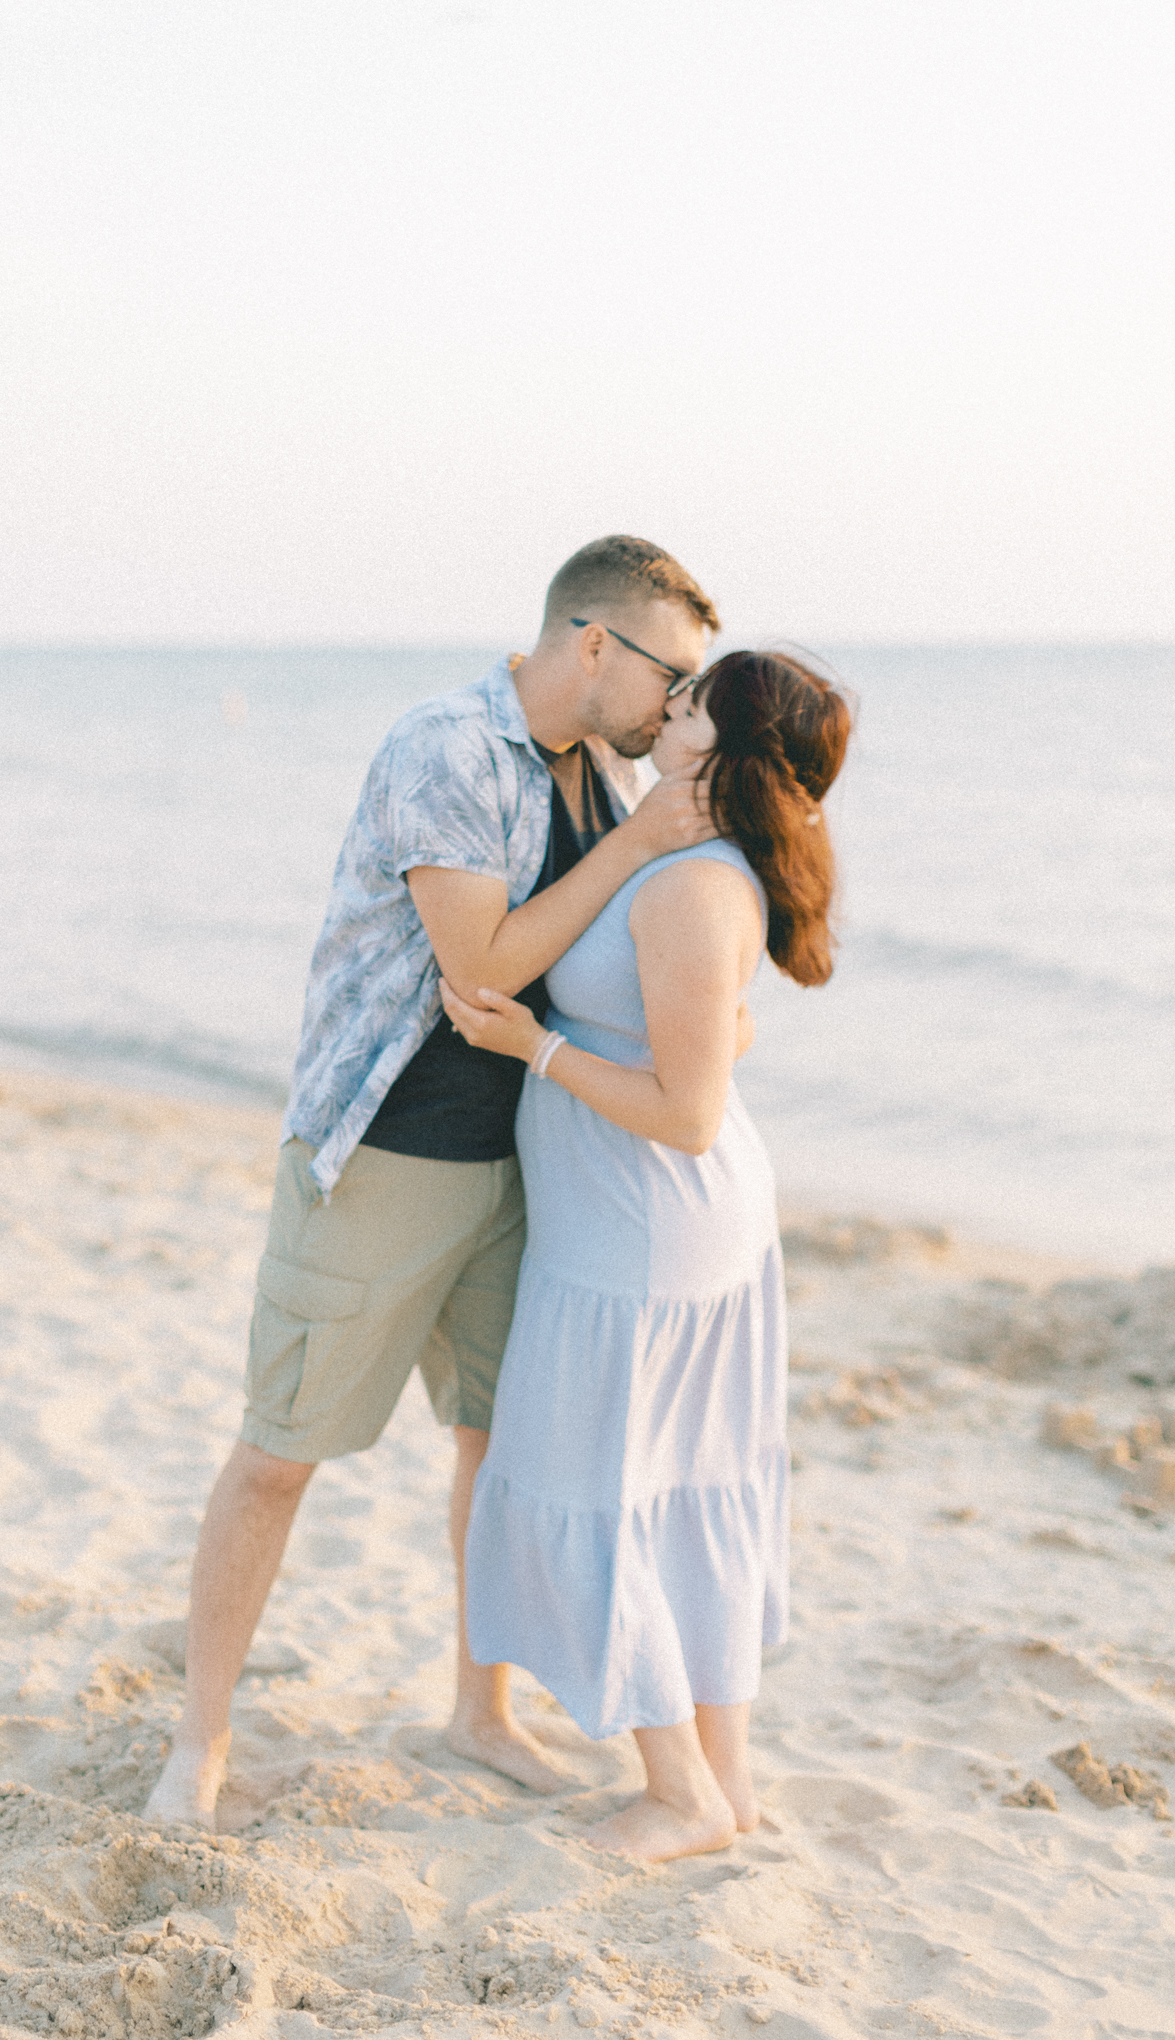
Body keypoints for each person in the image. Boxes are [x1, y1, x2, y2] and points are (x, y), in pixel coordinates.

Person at [145, 536, 732, 1830]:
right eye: (672, 675)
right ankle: (198, 1749)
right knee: (283, 1450)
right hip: (383, 1154)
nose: (679, 704)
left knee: (491, 1445)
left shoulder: (606, 769)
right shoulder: (447, 749)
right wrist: (639, 838)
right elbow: (487, 968)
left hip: (521, 1168)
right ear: (594, 643)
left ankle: (481, 1711)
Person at [443, 648, 852, 1863]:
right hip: (643, 1223)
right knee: (670, 1497)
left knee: (597, 1492)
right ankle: (724, 1783)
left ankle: (680, 1790)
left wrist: (537, 1049)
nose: (664, 707)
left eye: (689, 703)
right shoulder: (682, 863)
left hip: (645, 1230)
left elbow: (687, 1112)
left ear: (716, 753)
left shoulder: (692, 888)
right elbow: (723, 1030)